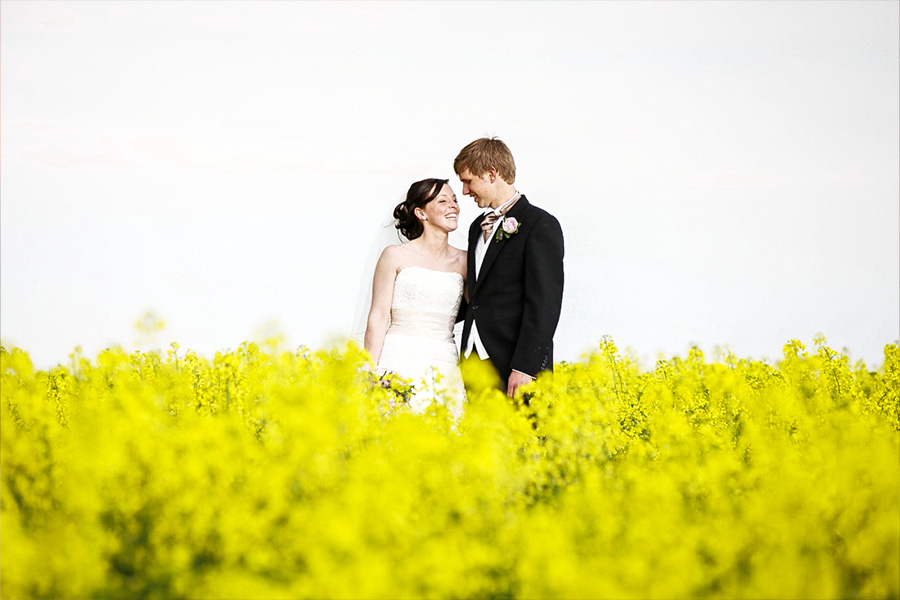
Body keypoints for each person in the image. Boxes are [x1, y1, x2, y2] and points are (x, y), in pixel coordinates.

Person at [454, 138, 564, 397]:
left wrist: (526, 367)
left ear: (492, 174)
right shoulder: (475, 227)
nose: (465, 191)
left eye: (468, 181)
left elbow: (545, 302)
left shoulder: (539, 224)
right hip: (472, 361)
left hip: (515, 366)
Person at [364, 178, 467, 419]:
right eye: (443, 201)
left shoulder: (465, 260)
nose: (453, 205)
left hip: (444, 363)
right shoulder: (394, 255)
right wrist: (368, 371)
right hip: (397, 359)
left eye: (455, 200)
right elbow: (378, 316)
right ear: (421, 212)